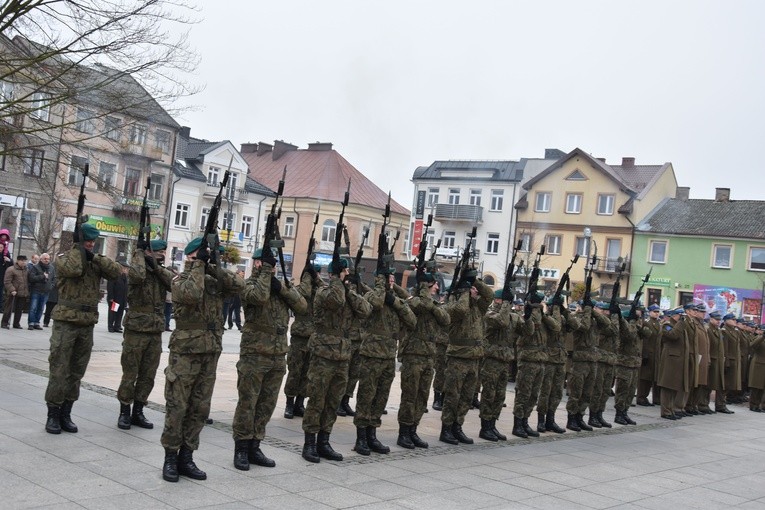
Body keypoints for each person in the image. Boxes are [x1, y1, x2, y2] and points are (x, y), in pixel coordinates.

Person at [160, 237, 244, 482]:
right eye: (202, 254)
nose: (206, 257)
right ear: (190, 256)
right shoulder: (180, 279)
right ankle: (170, 457)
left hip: (209, 353)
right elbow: (192, 294)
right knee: (178, 407)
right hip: (185, 353)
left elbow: (237, 285)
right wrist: (198, 266)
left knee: (199, 408)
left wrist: (214, 265)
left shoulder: (214, 279)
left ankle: (187, 456)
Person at [232, 248, 306, 470]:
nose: (271, 268)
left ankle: (255, 445)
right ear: (256, 264)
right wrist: (265, 274)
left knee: (266, 404)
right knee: (248, 403)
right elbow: (258, 297)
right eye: (266, 263)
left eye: (272, 264)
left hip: (277, 355)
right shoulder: (249, 284)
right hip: (254, 354)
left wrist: (282, 288)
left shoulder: (278, 286)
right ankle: (241, 449)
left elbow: (302, 306)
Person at [44, 225, 122, 434]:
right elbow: (74, 270)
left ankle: (66, 412)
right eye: (87, 241)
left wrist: (94, 257)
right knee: (59, 369)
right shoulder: (65, 258)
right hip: (66, 322)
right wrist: (80, 252)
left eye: (93, 241)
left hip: (87, 323)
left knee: (77, 371)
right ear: (79, 240)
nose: (90, 244)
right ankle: (53, 413)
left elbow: (116, 272)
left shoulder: (94, 260)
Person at [301, 259, 371, 463]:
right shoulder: (325, 292)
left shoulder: (346, 293)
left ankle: (324, 441)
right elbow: (336, 301)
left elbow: (365, 310)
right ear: (335, 274)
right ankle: (310, 443)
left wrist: (350, 290)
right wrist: (339, 284)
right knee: (317, 399)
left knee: (332, 401)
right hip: (323, 354)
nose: (348, 273)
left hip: (342, 355)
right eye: (345, 271)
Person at [117, 239, 174, 431]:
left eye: (164, 252)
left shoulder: (160, 271)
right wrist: (139, 254)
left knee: (148, 374)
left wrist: (156, 267)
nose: (163, 255)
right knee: (130, 373)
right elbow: (138, 276)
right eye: (159, 252)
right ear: (150, 252)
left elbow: (173, 284)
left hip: (155, 330)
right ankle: (125, 410)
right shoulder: (137, 268)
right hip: (136, 329)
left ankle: (138, 410)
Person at [397, 272, 450, 449]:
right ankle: (404, 432)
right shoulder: (414, 301)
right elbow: (417, 306)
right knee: (409, 395)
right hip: (413, 355)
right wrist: (423, 293)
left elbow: (445, 319)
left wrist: (433, 305)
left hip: (429, 356)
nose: (437, 288)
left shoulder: (434, 305)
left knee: (422, 395)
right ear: (427, 286)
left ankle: (413, 430)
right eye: (434, 285)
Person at [439, 271, 493, 445]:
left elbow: (489, 295)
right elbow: (461, 310)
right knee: (453, 395)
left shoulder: (478, 306)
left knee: (466, 397)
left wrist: (475, 280)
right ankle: (446, 429)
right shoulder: (452, 306)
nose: (474, 291)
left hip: (474, 358)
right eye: (471, 289)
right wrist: (463, 291)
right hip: (458, 357)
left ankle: (457, 426)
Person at [481, 289, 531, 441]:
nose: (507, 303)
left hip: (505, 361)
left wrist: (528, 316)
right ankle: (485, 427)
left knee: (499, 395)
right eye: (504, 300)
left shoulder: (513, 316)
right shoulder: (489, 314)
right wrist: (506, 305)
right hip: (491, 360)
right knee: (489, 394)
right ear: (497, 300)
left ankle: (492, 424)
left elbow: (528, 332)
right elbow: (501, 322)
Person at [284, 263, 324, 419]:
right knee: (295, 371)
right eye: (314, 274)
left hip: (313, 339)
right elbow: (303, 293)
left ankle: (300, 403)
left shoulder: (320, 292)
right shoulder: (301, 289)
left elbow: (326, 289)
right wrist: (306, 277)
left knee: (307, 374)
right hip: (299, 338)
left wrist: (316, 278)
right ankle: (289, 404)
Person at [512, 292, 550, 439]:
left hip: (540, 360)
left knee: (533, 395)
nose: (542, 305)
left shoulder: (543, 316)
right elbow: (532, 328)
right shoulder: (527, 315)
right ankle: (518, 424)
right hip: (528, 361)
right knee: (523, 393)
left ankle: (525, 422)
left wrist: (542, 312)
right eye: (540, 302)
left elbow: (556, 327)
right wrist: (534, 309)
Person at [535, 295, 576, 434]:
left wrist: (565, 311)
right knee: (545, 391)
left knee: (557, 392)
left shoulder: (563, 318)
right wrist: (556, 311)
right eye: (555, 306)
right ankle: (541, 420)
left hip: (560, 360)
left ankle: (550, 420)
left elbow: (576, 325)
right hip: (548, 359)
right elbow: (556, 327)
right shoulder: (545, 317)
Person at [657, 309, 690, 420]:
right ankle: (666, 411)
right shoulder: (667, 325)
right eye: (681, 316)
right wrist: (681, 323)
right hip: (670, 360)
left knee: (674, 386)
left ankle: (670, 410)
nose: (682, 318)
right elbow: (673, 335)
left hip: (678, 361)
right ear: (675, 315)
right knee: (667, 386)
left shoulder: (678, 325)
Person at [613, 308, 644, 425]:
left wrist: (637, 322)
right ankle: (619, 414)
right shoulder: (624, 328)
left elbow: (647, 333)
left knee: (631, 391)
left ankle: (625, 412)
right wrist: (631, 322)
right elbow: (629, 335)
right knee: (622, 390)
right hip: (624, 364)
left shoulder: (634, 327)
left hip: (634, 364)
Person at [636, 304, 662, 406]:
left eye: (657, 312)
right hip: (648, 353)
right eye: (654, 311)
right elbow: (645, 340)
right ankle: (641, 397)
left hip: (656, 354)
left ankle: (649, 397)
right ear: (650, 312)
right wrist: (644, 354)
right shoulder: (647, 323)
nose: (656, 313)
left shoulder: (658, 323)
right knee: (644, 377)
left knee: (652, 377)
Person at [27, 253, 54, 330]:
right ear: (41, 259)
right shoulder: (35, 267)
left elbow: (54, 279)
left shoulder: (51, 268)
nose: (46, 260)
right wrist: (42, 276)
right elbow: (31, 278)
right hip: (36, 290)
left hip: (46, 291)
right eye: (45, 259)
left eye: (48, 259)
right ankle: (31, 323)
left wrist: (50, 287)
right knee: (33, 307)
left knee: (41, 308)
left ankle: (37, 323)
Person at [2, 254, 28, 329]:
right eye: (22, 261)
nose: (24, 262)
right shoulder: (11, 269)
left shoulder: (26, 269)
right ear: (18, 261)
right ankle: (5, 322)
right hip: (13, 292)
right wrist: (12, 289)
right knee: (9, 308)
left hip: (22, 292)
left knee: (19, 309)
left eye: (25, 261)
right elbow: (7, 281)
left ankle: (16, 323)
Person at [107, 261, 129, 332]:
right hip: (115, 299)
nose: (126, 270)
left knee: (120, 313)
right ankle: (110, 326)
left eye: (126, 269)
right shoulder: (114, 275)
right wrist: (111, 297)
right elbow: (110, 287)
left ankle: (117, 326)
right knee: (113, 313)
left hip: (122, 299)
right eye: (124, 268)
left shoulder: (125, 277)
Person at [43, 256, 59, 328]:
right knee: (49, 308)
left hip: (58, 291)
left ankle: (52, 322)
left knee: (56, 309)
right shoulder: (52, 266)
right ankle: (46, 322)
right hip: (52, 290)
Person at [0, 228, 13, 311]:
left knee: (0, 292)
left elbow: (11, 263)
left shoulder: (6, 252)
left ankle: (0, 307)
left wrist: (9, 260)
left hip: (2, 275)